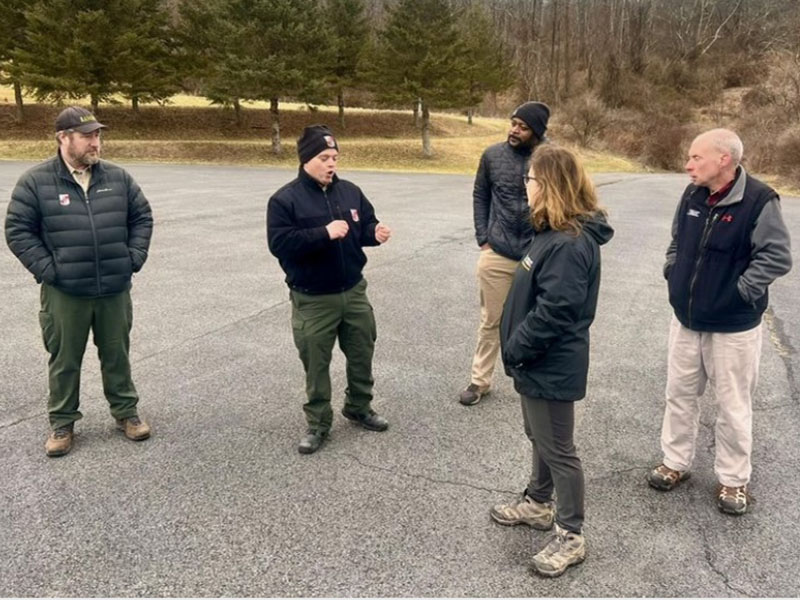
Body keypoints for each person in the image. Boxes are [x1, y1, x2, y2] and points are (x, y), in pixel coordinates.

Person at [647, 128, 792, 515]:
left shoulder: (759, 200)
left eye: (696, 157)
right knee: (679, 395)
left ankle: (733, 479)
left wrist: (739, 292)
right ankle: (675, 462)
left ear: (723, 159)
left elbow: (777, 257)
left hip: (733, 326)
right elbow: (677, 240)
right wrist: (673, 271)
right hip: (686, 319)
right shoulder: (692, 194)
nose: (688, 165)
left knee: (733, 405)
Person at [492, 145, 613, 577]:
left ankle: (571, 535)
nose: (524, 184)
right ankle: (538, 504)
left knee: (560, 450)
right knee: (539, 436)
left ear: (549, 185)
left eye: (530, 178)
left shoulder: (568, 243)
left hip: (550, 362)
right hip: (535, 361)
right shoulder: (549, 232)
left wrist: (517, 347)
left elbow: (556, 311)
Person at [5, 106, 154, 457]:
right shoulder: (36, 181)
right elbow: (18, 230)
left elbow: (142, 217)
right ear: (63, 138)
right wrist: (50, 270)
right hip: (65, 292)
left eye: (97, 135)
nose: (95, 142)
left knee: (117, 354)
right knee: (65, 359)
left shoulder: (117, 178)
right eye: (87, 136)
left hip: (113, 288)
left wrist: (132, 258)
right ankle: (62, 421)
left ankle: (126, 411)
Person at [267, 125, 392, 455]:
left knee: (362, 352)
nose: (331, 163)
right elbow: (280, 244)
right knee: (316, 364)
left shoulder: (350, 192)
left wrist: (374, 233)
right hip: (313, 298)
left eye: (334, 157)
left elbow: (364, 225)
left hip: (353, 292)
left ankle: (359, 406)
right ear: (306, 159)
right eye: (324, 158)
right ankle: (319, 423)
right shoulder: (285, 200)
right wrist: (324, 233)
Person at [459, 101, 550, 406]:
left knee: (538, 320)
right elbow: (480, 195)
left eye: (523, 127)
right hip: (497, 251)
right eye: (513, 123)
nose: (514, 130)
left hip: (538, 254)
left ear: (537, 132)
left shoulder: (551, 159)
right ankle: (479, 381)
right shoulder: (492, 156)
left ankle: (536, 380)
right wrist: (483, 238)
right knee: (491, 320)